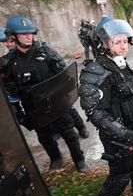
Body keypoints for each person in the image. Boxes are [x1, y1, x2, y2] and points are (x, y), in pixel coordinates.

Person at [79, 18, 133, 196]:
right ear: (104, 44)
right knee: (121, 174)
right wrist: (125, 134)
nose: (124, 46)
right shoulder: (96, 71)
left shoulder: (120, 64)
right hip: (116, 136)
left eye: (125, 41)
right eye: (118, 42)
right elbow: (95, 112)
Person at [2, 16, 87, 172]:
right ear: (12, 36)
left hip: (56, 103)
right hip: (33, 108)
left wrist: (64, 91)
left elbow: (65, 76)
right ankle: (56, 158)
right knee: (45, 138)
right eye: (23, 34)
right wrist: (21, 117)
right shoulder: (8, 63)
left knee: (69, 134)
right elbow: (11, 95)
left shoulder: (46, 52)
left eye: (31, 33)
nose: (29, 37)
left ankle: (79, 161)